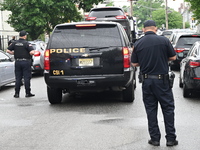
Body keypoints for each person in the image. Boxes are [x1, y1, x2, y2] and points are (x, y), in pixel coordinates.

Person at [131, 20, 178, 147]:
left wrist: (145, 61)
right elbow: (173, 57)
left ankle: (155, 139)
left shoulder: (138, 43)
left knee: (151, 110)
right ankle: (170, 139)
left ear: (144, 29)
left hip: (147, 81)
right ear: (155, 29)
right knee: (168, 109)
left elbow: (134, 63)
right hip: (162, 81)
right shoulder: (164, 41)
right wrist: (162, 58)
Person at [7, 30, 35, 98]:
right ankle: (28, 93)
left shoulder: (14, 43)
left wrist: (14, 53)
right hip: (25, 62)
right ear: (25, 36)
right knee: (26, 78)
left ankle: (17, 93)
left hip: (17, 62)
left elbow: (8, 50)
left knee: (18, 78)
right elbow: (32, 52)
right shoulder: (27, 43)